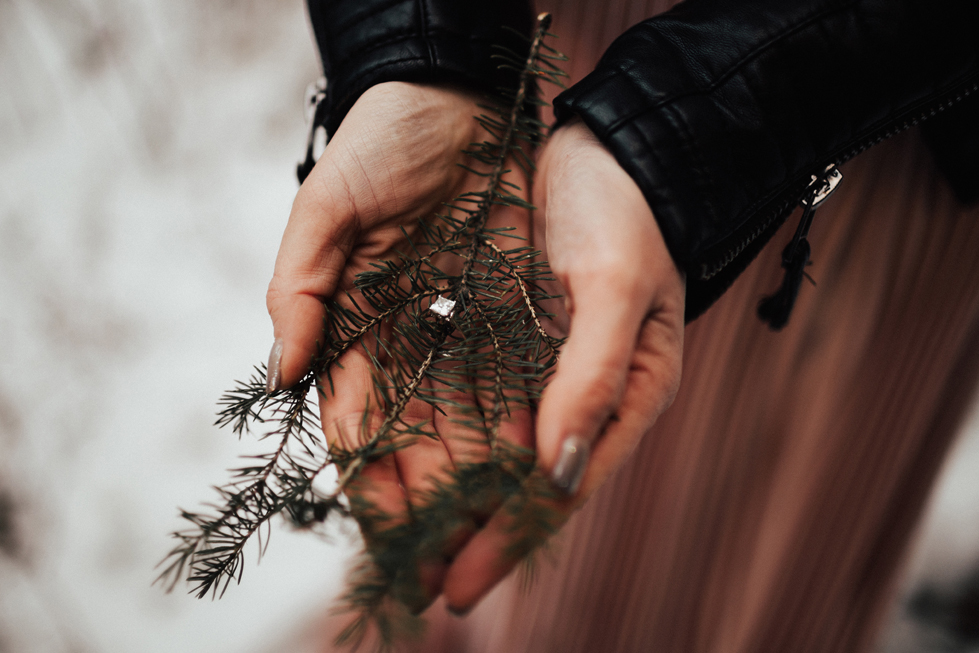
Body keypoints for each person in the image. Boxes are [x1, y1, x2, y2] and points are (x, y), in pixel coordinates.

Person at [266, 0, 979, 649]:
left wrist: (672, 140)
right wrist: (421, 49)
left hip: (855, 113)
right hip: (548, 53)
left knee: (707, 576)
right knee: (483, 499)